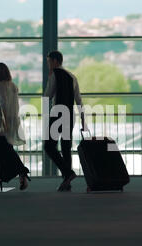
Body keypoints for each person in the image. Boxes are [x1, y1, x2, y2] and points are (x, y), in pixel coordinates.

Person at [0, 62, 30, 192]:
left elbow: (1, 103)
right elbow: (12, 105)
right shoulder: (13, 86)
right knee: (1, 150)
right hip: (11, 122)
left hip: (0, 124)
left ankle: (16, 173)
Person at [44, 50, 86, 192]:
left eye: (49, 61)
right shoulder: (72, 76)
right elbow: (79, 99)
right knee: (66, 148)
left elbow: (48, 95)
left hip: (57, 114)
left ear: (55, 61)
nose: (48, 64)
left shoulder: (54, 74)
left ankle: (68, 173)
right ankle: (67, 182)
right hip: (70, 115)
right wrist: (83, 118)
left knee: (49, 146)